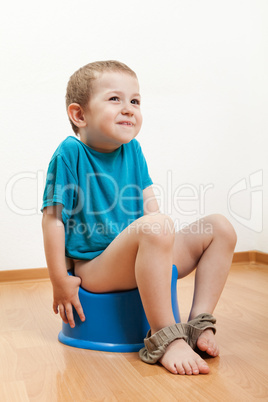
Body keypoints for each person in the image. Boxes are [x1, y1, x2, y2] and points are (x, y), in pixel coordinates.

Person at [41, 60, 237, 375]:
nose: (129, 108)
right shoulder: (70, 153)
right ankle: (164, 336)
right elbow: (52, 219)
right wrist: (59, 279)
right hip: (97, 267)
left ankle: (200, 321)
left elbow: (150, 206)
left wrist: (162, 246)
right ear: (79, 115)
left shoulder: (132, 150)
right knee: (157, 225)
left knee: (219, 228)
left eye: (135, 101)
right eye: (115, 99)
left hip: (141, 255)